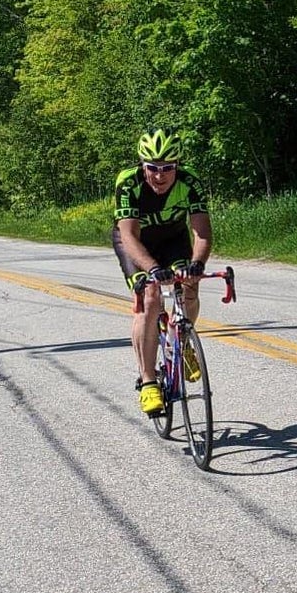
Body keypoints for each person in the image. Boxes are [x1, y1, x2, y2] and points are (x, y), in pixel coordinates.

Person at [112, 130, 213, 416]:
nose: (159, 175)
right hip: (136, 242)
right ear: (143, 165)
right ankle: (148, 382)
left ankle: (178, 343)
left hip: (173, 238)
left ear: (177, 166)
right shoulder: (128, 182)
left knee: (189, 285)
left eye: (167, 168)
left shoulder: (189, 181)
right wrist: (153, 269)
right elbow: (129, 236)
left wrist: (198, 264)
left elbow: (202, 233)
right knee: (151, 296)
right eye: (153, 168)